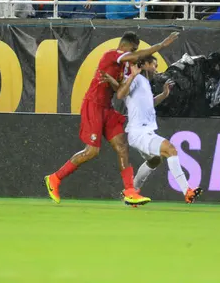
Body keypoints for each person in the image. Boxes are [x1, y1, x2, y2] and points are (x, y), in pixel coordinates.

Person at [44, 31, 180, 205]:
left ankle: (130, 191)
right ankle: (55, 178)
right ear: (125, 46)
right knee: (92, 151)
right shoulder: (112, 55)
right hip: (93, 105)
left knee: (122, 146)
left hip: (107, 108)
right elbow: (137, 55)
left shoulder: (124, 67)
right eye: (133, 49)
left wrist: (127, 77)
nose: (134, 54)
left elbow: (120, 92)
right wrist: (161, 45)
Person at [105, 55, 203, 204]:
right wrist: (131, 75)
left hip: (142, 132)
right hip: (140, 132)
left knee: (155, 160)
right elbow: (121, 94)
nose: (156, 69)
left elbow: (149, 104)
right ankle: (187, 191)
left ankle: (132, 192)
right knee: (170, 150)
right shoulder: (136, 79)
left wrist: (164, 95)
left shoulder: (144, 82)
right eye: (154, 65)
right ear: (144, 65)